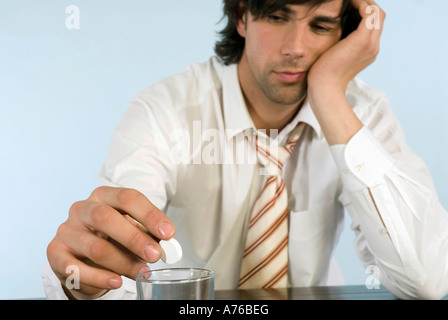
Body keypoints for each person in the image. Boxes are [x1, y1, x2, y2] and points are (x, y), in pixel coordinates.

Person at [43, 0, 448, 300]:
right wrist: (89, 285)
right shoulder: (164, 110)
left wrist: (328, 92)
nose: (297, 48)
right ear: (241, 17)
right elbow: (114, 255)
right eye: (276, 16)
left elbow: (428, 281)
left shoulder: (362, 113)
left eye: (321, 25)